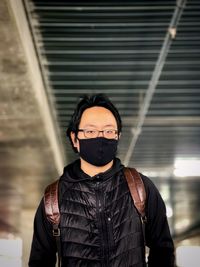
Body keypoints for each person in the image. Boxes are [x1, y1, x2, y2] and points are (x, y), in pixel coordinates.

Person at [28, 94, 175, 267]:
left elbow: (163, 251)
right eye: (90, 131)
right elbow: (40, 261)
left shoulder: (140, 187)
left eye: (109, 131)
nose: (101, 137)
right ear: (75, 139)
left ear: (117, 136)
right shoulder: (53, 198)